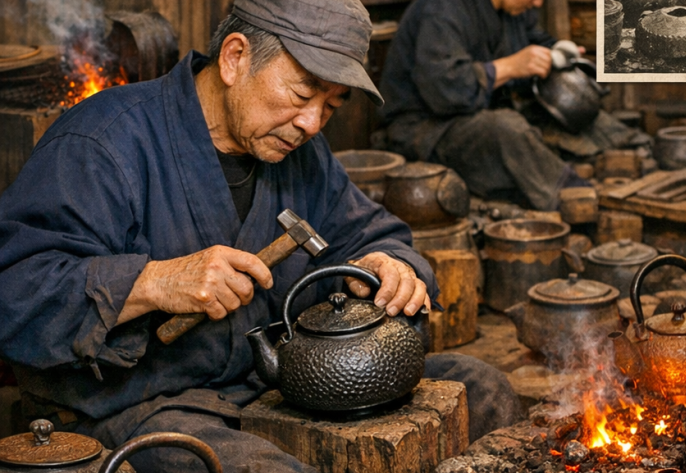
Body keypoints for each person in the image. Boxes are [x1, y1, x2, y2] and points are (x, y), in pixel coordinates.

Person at [0, 0, 523, 471]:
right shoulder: (101, 143)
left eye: (332, 106)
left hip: (271, 384)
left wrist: (390, 264)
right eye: (301, 93)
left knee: (482, 389)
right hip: (142, 408)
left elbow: (368, 230)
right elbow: (15, 290)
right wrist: (154, 282)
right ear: (234, 58)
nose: (312, 123)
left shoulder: (299, 152)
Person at [379, 0, 647, 211]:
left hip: (478, 113)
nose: (539, 3)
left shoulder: (512, 10)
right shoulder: (441, 9)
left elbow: (532, 37)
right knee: (506, 127)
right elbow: (444, 92)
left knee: (571, 112)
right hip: (426, 129)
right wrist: (509, 67)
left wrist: (557, 49)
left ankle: (638, 151)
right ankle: (573, 196)